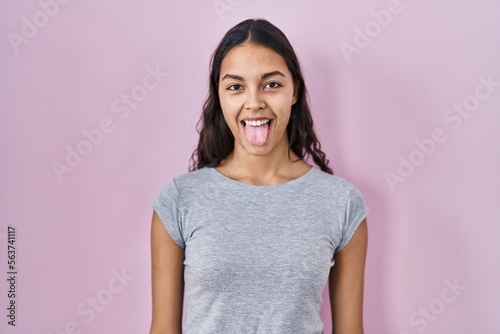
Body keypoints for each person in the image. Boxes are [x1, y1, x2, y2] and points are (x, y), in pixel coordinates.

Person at [149, 18, 369, 334]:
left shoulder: (342, 203)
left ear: (294, 91)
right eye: (236, 87)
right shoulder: (178, 201)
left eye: (272, 84)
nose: (254, 103)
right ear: (219, 96)